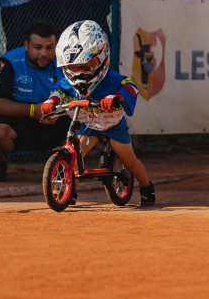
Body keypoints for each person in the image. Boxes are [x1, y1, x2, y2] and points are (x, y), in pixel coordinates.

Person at [40, 19, 155, 206]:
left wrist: (117, 97)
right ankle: (71, 192)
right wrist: (52, 101)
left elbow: (131, 87)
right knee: (76, 155)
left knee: (129, 160)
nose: (77, 73)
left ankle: (146, 187)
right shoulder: (68, 83)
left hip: (112, 124)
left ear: (101, 58)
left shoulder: (110, 79)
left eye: (84, 67)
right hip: (88, 125)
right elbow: (59, 91)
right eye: (72, 68)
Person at [0, 19, 67, 182]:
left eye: (50, 48)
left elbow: (81, 98)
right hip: (18, 124)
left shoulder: (66, 63)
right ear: (26, 45)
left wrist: (59, 112)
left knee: (84, 126)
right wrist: (33, 110)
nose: (44, 54)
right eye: (37, 47)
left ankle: (64, 166)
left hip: (55, 122)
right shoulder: (9, 62)